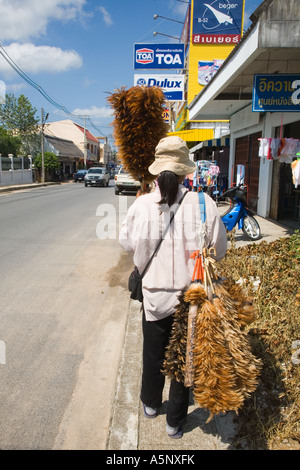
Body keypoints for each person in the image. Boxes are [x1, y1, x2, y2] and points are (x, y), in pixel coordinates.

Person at [119, 136, 227, 439]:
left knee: (152, 354)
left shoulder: (142, 204)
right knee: (184, 359)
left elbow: (126, 242)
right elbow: (218, 249)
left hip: (153, 297)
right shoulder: (204, 203)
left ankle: (151, 405)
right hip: (190, 299)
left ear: (157, 170)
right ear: (185, 172)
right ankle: (175, 423)